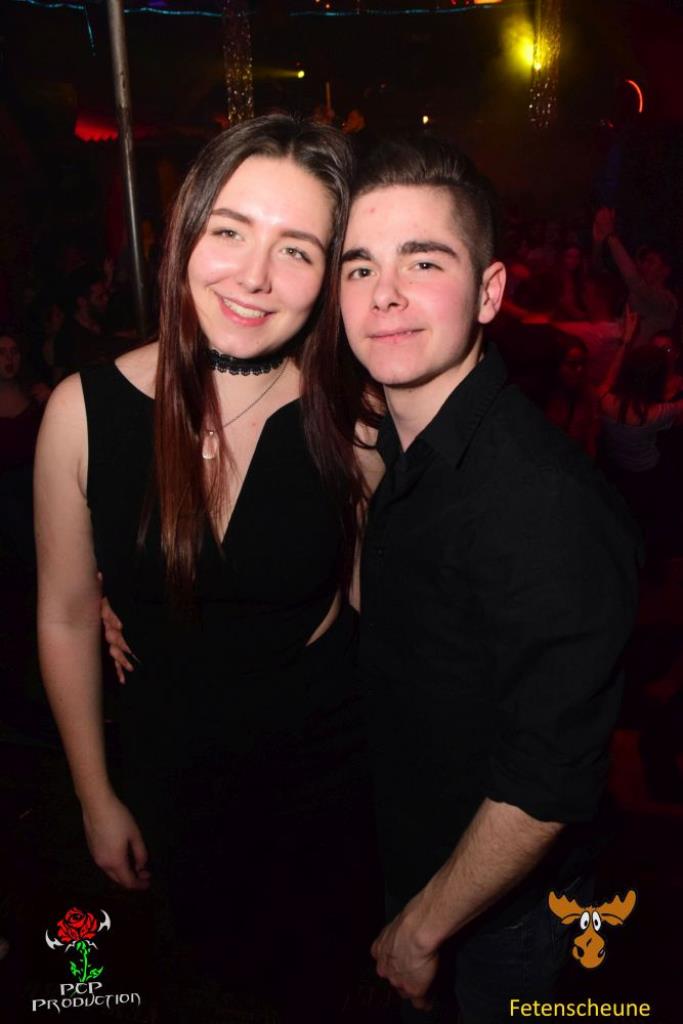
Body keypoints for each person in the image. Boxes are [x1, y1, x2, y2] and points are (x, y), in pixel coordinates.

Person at [35, 115, 381, 1023]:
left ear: (330, 275)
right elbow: (66, 615)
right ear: (185, 233)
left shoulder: (357, 422)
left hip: (322, 781)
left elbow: (385, 614)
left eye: (296, 249)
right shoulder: (81, 413)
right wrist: (95, 797)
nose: (254, 276)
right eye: (230, 230)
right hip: (166, 774)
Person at [336, 136, 641, 1023]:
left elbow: (547, 781)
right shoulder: (398, 450)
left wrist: (422, 930)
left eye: (422, 261)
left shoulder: (542, 500)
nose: (384, 293)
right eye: (360, 267)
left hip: (504, 922)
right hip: (419, 864)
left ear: (489, 292)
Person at [592, 207, 677, 348]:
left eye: (651, 262)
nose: (644, 265)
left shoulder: (666, 301)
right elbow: (598, 274)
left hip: (645, 361)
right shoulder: (635, 293)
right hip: (624, 356)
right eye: (644, 261)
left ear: (665, 271)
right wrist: (599, 243)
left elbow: (634, 280)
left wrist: (611, 236)